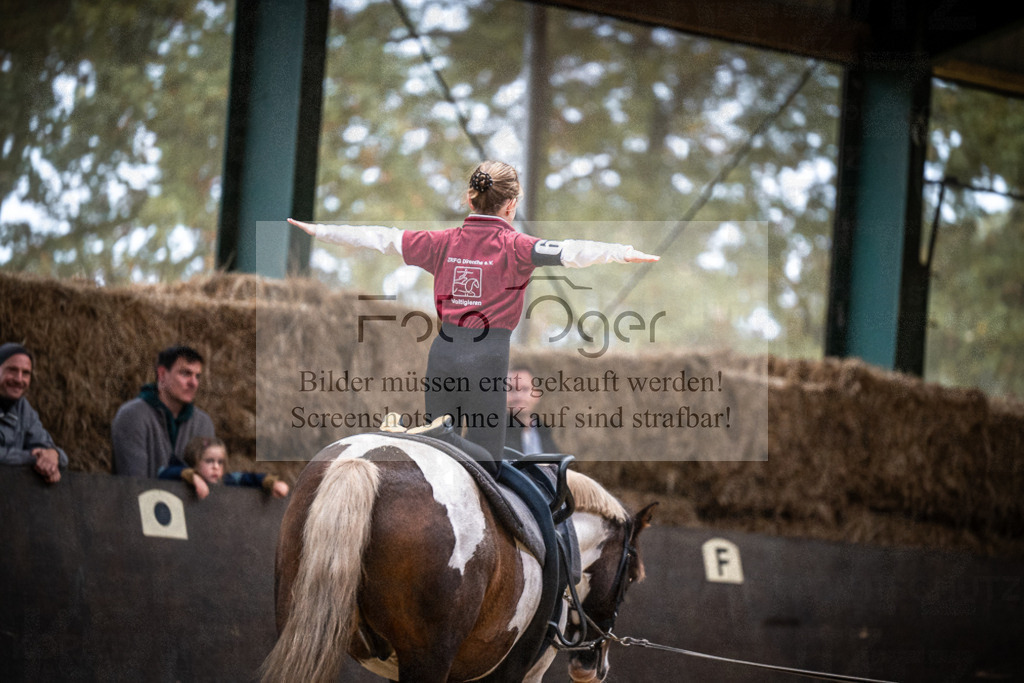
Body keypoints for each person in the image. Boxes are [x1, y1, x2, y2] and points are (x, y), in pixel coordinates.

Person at [288, 160, 657, 474]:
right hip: (488, 357)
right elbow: (571, 252)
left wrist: (321, 231)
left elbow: (382, 238)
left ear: (469, 197)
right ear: (510, 205)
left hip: (443, 352)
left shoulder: (442, 242)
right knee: (487, 461)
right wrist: (622, 252)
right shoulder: (517, 246)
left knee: (435, 456)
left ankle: (434, 434)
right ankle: (442, 435)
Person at [112, 345, 216, 477]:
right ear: (161, 374)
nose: (194, 383)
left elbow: (207, 482)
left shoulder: (203, 423)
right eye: (185, 374)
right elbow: (133, 483)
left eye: (197, 376)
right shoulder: (133, 415)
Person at [0, 343, 68, 484]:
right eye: (12, 370)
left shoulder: (24, 409)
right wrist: (35, 458)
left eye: (25, 373)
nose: (19, 379)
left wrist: (53, 456)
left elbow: (50, 449)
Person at [158, 436, 290, 500]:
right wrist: (192, 476)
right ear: (194, 462)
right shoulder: (184, 482)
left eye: (220, 462)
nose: (215, 466)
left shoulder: (227, 480)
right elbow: (163, 473)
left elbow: (247, 478)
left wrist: (271, 482)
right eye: (209, 461)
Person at [505, 364, 561, 456]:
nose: (518, 396)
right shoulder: (496, 436)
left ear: (537, 394)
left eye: (525, 389)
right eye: (512, 389)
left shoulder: (544, 432)